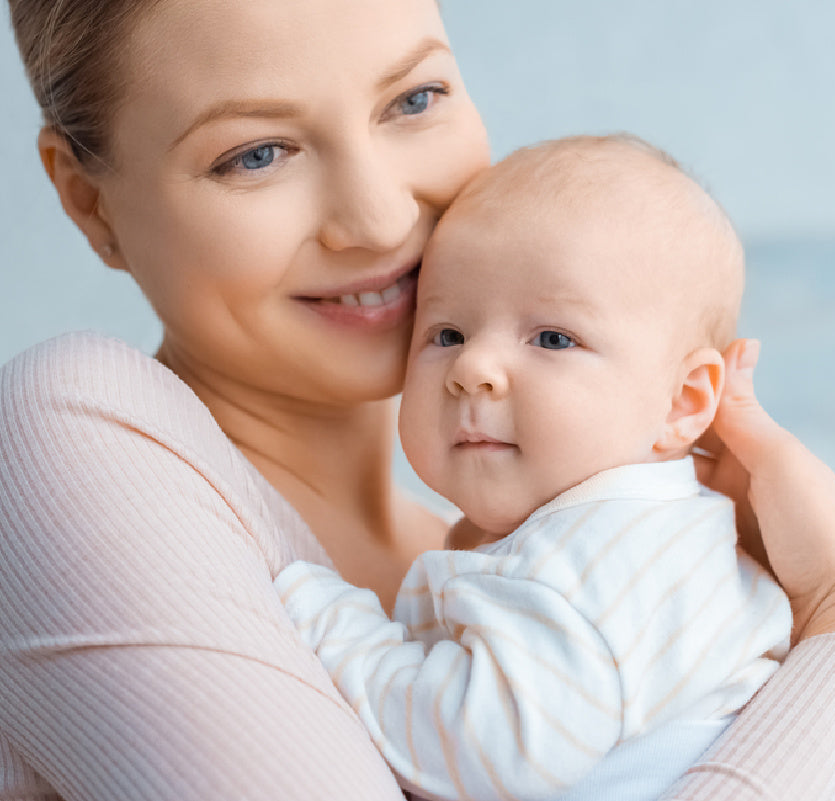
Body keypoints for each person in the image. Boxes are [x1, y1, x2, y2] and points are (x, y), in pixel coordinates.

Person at [0, 1, 835, 800]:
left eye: (414, 99)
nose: (381, 219)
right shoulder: (74, 436)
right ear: (91, 205)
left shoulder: (495, 555)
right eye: (256, 153)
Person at [275, 133, 794, 801]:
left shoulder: (592, 562)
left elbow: (483, 749)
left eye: (553, 338)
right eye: (448, 334)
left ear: (683, 401)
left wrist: (320, 612)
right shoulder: (644, 532)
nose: (473, 370)